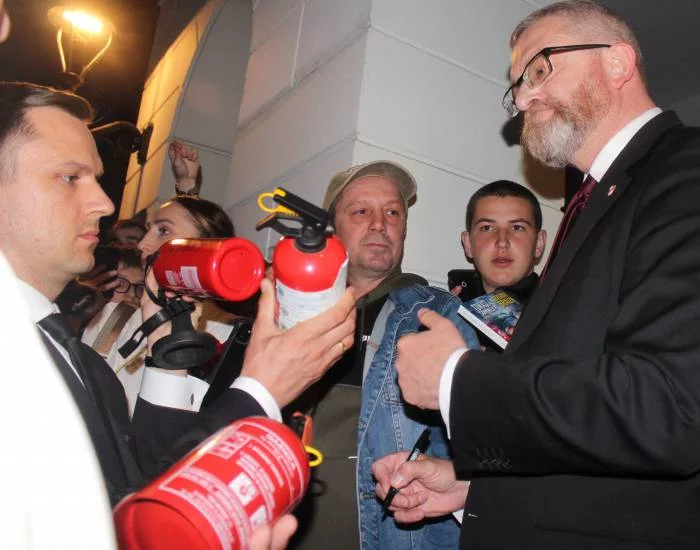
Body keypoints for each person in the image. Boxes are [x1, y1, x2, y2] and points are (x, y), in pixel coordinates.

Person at [375, 1, 700, 549]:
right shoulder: (594, 203)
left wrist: (456, 380)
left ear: (617, 63)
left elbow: (669, 408)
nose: (523, 99)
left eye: (540, 69)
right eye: (517, 88)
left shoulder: (685, 169)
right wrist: (474, 490)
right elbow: (592, 424)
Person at [0, 81, 355, 546]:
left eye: (96, 180)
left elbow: (143, 487)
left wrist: (167, 356)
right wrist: (263, 388)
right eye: (70, 177)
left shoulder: (86, 366)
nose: (105, 204)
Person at [288, 161, 478, 550]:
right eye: (361, 211)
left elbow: (476, 447)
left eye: (392, 212)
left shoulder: (437, 315)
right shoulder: (291, 311)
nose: (379, 224)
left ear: (404, 228)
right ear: (331, 226)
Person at [451, 180, 546, 350]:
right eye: (487, 228)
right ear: (468, 244)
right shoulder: (442, 317)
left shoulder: (566, 316)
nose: (502, 242)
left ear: (539, 243)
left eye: (517, 227)